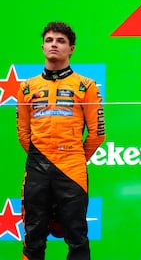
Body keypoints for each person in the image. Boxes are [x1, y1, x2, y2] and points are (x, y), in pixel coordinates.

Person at [17, 21, 106, 260]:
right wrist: (44, 156)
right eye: (49, 40)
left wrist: (73, 157)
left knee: (77, 237)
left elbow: (97, 133)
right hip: (37, 168)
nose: (54, 45)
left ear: (71, 48)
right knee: (33, 237)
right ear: (43, 46)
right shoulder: (26, 87)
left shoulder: (86, 86)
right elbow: (23, 134)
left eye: (60, 41)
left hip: (72, 169)